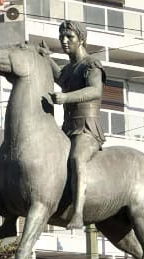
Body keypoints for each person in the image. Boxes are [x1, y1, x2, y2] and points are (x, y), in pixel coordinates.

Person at [48, 20, 106, 230]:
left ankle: (78, 214)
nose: (64, 41)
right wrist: (46, 59)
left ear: (81, 39)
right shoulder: (69, 69)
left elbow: (95, 90)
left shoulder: (91, 64)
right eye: (61, 37)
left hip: (86, 128)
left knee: (77, 159)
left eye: (69, 37)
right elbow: (61, 78)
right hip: (67, 129)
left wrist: (66, 98)